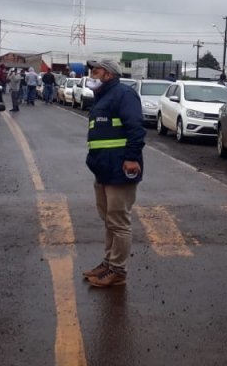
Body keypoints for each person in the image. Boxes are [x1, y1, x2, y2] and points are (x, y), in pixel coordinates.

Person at [81, 59, 146, 287]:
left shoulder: (123, 95)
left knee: (118, 222)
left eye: (95, 71)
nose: (92, 74)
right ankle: (108, 263)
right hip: (103, 169)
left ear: (108, 74)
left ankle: (118, 270)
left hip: (120, 169)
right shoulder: (103, 96)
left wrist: (131, 158)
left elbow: (136, 128)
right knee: (109, 221)